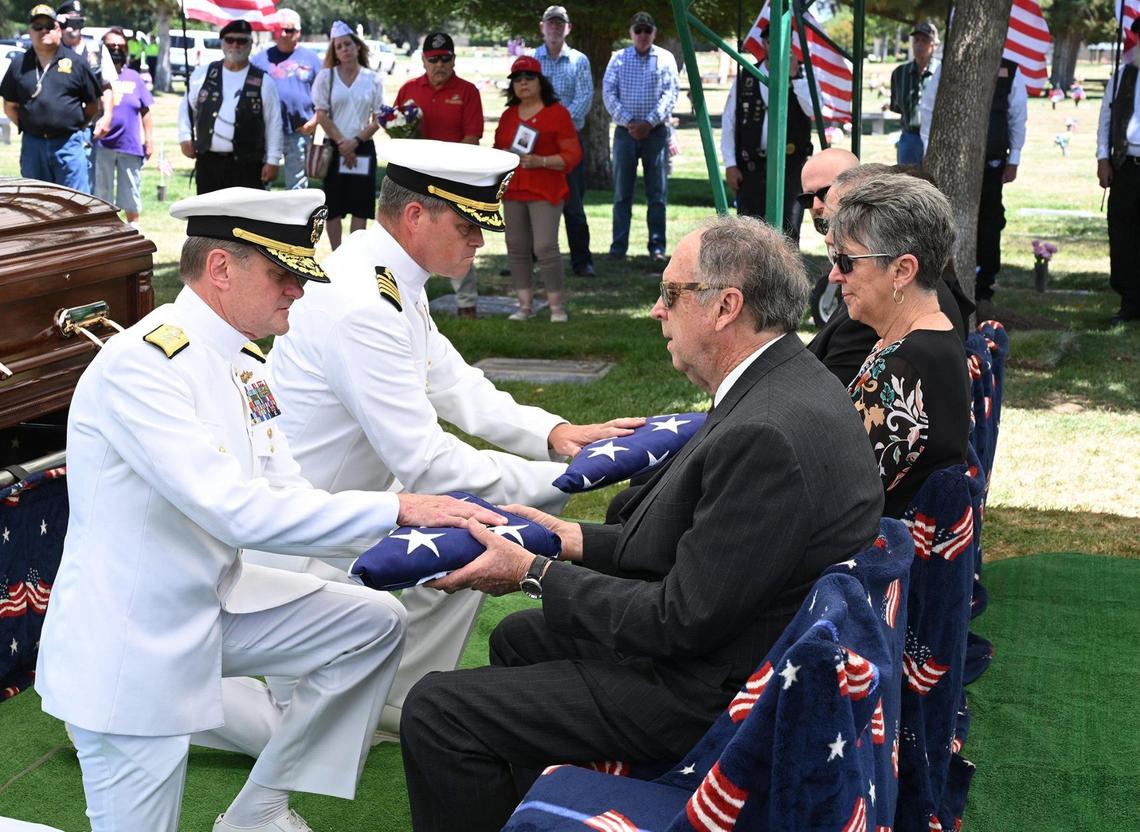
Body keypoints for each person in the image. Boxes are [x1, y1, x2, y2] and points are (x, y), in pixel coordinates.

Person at [33, 187, 506, 832]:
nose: (298, 291)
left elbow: (289, 494)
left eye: (301, 275)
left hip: (210, 604)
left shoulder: (245, 364)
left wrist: (415, 549)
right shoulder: (143, 367)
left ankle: (257, 812)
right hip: (132, 648)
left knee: (372, 624)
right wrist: (397, 510)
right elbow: (234, 512)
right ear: (220, 269)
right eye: (283, 274)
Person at [398, 213, 885, 832]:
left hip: (709, 693)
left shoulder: (765, 430)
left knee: (438, 709)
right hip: (738, 648)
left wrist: (533, 573)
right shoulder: (787, 380)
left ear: (725, 307)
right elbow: (706, 549)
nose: (657, 310)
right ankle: (540, 814)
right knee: (520, 638)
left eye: (671, 293)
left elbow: (678, 620)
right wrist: (571, 540)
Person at [221, 140, 641, 749]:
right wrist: (567, 477)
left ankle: (394, 700)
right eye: (469, 226)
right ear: (417, 216)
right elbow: (428, 463)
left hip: (351, 511)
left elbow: (452, 382)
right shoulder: (363, 301)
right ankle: (135, 697)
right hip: (303, 538)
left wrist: (553, 435)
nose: (481, 241)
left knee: (473, 538)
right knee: (300, 737)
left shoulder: (389, 274)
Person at [826, 173, 971, 517]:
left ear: (902, 270)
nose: (834, 274)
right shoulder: (922, 340)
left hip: (876, 545)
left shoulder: (904, 368)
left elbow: (836, 493)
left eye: (846, 261)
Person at [921, 54, 1026, 307]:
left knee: (990, 223)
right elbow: (928, 108)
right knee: (947, 221)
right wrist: (928, 150)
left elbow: (1017, 116)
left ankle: (984, 288)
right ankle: (943, 283)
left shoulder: (1011, 71)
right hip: (951, 164)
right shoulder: (948, 65)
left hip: (992, 164)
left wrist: (1014, 158)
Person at [396, 31, 484, 317]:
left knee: (459, 238)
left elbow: (472, 138)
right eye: (433, 60)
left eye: (445, 59)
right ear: (423, 60)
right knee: (411, 239)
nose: (439, 65)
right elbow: (397, 129)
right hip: (415, 179)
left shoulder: (468, 91)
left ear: (454, 60)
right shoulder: (409, 89)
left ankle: (466, 304)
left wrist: (446, 167)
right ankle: (408, 303)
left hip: (454, 179)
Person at [494, 55, 581, 322]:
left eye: (529, 78)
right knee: (516, 246)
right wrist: (504, 155)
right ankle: (524, 307)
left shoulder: (557, 113)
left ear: (541, 81)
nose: (523, 83)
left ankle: (556, 308)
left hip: (546, 189)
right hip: (514, 189)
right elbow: (497, 150)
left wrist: (541, 161)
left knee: (545, 247)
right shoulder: (508, 115)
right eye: (517, 79)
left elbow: (573, 155)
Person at [721, 26, 814, 240]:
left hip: (790, 166)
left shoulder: (803, 73)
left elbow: (812, 109)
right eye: (772, 41)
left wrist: (795, 77)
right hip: (751, 166)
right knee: (749, 232)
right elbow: (729, 120)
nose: (777, 45)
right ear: (764, 43)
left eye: (783, 40)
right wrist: (730, 163)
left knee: (788, 231)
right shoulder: (747, 74)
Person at [603, 11, 679, 262]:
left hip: (656, 133)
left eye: (647, 30)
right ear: (631, 33)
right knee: (621, 194)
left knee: (657, 194)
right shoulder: (618, 58)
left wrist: (648, 122)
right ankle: (618, 248)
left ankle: (657, 248)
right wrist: (630, 122)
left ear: (654, 33)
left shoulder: (665, 58)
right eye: (639, 30)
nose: (643, 35)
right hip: (625, 133)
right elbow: (609, 93)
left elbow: (670, 94)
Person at [0, 5, 101, 191]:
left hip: (69, 144)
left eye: (49, 26)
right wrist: (30, 125)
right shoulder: (18, 64)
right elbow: (10, 105)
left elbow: (93, 104)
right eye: (37, 27)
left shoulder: (77, 62)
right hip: (33, 145)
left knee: (75, 202)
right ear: (30, 32)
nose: (43, 31)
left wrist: (75, 125)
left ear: (59, 30)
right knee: (37, 202)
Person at [178, 19, 282, 194]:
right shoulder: (203, 74)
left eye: (242, 41)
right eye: (230, 40)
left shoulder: (263, 82)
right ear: (222, 43)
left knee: (245, 211)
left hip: (248, 165)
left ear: (250, 44)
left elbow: (274, 123)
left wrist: (273, 160)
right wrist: (184, 137)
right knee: (209, 211)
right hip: (209, 162)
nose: (235, 45)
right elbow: (186, 109)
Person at [309, 21, 384, 248]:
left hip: (363, 146)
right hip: (334, 147)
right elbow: (321, 114)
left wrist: (356, 142)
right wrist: (343, 143)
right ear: (335, 51)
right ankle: (336, 254)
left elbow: (379, 118)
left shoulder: (373, 78)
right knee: (334, 205)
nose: (345, 49)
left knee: (360, 205)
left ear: (357, 46)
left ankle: (354, 253)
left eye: (348, 44)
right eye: (339, 46)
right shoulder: (326, 77)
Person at [534, 5, 595, 277]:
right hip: (537, 142)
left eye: (560, 23)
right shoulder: (532, 60)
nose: (555, 27)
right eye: (551, 23)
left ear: (568, 28)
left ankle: (582, 262)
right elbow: (525, 98)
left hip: (569, 141)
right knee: (533, 201)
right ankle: (526, 257)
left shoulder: (579, 61)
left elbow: (584, 99)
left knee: (573, 203)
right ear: (542, 27)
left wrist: (555, 123)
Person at [1095, 17, 1140, 326]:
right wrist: (1103, 158)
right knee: (1122, 234)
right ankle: (1129, 302)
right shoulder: (1122, 75)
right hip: (1125, 166)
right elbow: (1105, 120)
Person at [251, 8, 322, 191]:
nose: (282, 34)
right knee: (261, 181)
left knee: (297, 184)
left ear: (298, 32)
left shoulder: (312, 60)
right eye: (278, 29)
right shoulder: (259, 60)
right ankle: (261, 211)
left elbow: (326, 97)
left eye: (288, 30)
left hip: (299, 130)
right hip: (265, 131)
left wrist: (314, 122)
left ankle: (296, 212)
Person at [94, 27, 152, 228]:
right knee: (101, 196)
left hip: (130, 145)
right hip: (102, 145)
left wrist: (149, 139)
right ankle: (104, 233)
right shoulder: (96, 75)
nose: (116, 50)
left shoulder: (134, 76)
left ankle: (132, 233)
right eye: (111, 46)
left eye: (120, 46)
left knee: (131, 196)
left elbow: (145, 110)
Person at [56, 0, 115, 190]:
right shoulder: (52, 50)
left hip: (87, 127)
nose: (73, 27)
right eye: (69, 21)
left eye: (77, 21)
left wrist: (107, 116)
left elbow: (107, 86)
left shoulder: (96, 49)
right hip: (58, 126)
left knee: (85, 182)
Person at [888, 21, 939, 165]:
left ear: (935, 45)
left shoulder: (942, 72)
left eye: (925, 40)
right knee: (907, 178)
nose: (919, 45)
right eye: (916, 40)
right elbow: (897, 107)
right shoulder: (899, 73)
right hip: (909, 139)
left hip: (935, 139)